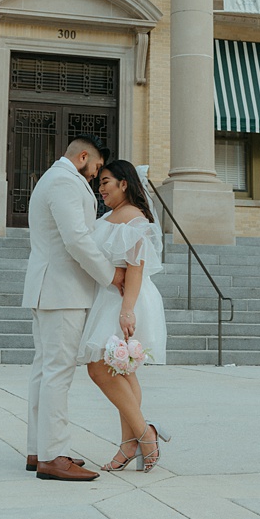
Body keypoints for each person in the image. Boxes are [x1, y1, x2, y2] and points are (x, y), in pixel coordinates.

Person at [23, 136, 126, 482]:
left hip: (50, 289)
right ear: (82, 157)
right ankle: (54, 457)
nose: (96, 176)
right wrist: (112, 276)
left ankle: (39, 449)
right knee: (58, 372)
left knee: (45, 370)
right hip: (61, 292)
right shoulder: (65, 181)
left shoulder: (52, 179)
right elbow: (76, 239)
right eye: (96, 167)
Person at [77, 161, 170, 473]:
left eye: (106, 182)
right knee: (123, 372)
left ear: (124, 184)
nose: (101, 188)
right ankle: (130, 442)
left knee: (101, 369)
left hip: (127, 299)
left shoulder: (135, 218)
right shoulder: (107, 217)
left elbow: (136, 267)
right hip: (107, 297)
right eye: (100, 183)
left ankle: (145, 435)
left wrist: (127, 310)